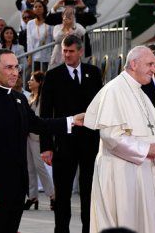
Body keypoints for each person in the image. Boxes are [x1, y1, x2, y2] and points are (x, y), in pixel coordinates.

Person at [0, 48, 83, 233]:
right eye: (8, 67)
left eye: (16, 67)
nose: (15, 72)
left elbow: (38, 124)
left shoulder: (19, 98)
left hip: (17, 190)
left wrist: (70, 121)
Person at [84, 46, 155, 233]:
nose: (154, 69)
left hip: (140, 171)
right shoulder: (115, 90)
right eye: (150, 64)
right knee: (127, 221)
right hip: (121, 173)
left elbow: (150, 131)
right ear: (134, 64)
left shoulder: (139, 91)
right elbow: (111, 136)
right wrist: (146, 149)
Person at [39, 35, 102, 233]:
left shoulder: (94, 73)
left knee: (88, 192)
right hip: (63, 143)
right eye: (64, 51)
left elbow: (100, 108)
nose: (67, 54)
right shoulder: (53, 75)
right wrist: (46, 146)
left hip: (90, 143)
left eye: (71, 51)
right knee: (63, 193)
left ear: (80, 52)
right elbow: (45, 114)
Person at [25, 72, 55, 210]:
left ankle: (52, 195)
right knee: (30, 168)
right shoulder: (30, 97)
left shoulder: (43, 98)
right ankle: (32, 197)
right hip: (28, 137)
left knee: (40, 167)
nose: (29, 82)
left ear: (39, 82)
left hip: (38, 138)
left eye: (32, 80)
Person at [26, 0, 53, 72]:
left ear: (44, 8)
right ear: (33, 9)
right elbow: (29, 42)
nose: (38, 8)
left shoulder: (50, 21)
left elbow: (54, 38)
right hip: (35, 58)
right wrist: (30, 57)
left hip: (47, 57)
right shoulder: (30, 23)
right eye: (35, 7)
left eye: (40, 6)